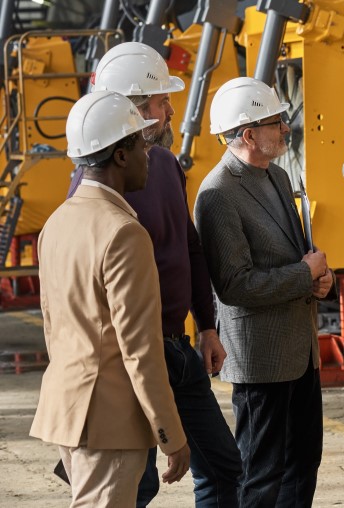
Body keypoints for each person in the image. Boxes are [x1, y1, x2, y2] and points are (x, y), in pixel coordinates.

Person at [63, 41, 243, 508]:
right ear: (136, 110)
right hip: (132, 359)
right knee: (133, 486)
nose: (169, 110)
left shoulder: (161, 166)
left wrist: (207, 326)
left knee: (224, 466)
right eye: (162, 101)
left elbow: (189, 244)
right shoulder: (96, 186)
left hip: (177, 350)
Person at [31, 90, 191, 505]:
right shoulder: (123, 234)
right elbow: (140, 350)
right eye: (141, 145)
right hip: (109, 422)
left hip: (69, 411)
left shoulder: (58, 222)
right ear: (120, 156)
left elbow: (54, 325)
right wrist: (170, 435)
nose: (148, 156)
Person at [193, 76, 334, 507]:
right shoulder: (218, 194)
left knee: (303, 462)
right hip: (262, 360)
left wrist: (318, 277)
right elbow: (235, 286)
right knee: (261, 472)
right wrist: (303, 274)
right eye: (277, 123)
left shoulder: (276, 175)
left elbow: (295, 254)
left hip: (300, 351)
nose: (286, 130)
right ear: (249, 133)